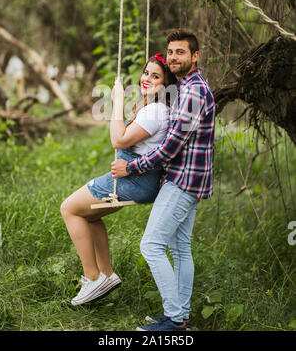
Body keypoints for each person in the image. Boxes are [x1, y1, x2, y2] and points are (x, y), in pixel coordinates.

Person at [111, 29, 215, 332]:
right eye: (170, 52)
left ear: (195, 56)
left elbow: (172, 145)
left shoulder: (194, 91)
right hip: (188, 179)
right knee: (180, 247)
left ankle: (173, 319)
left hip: (183, 181)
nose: (173, 58)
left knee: (151, 245)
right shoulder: (185, 87)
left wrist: (133, 167)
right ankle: (180, 316)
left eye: (180, 52)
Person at [60, 53, 176, 306]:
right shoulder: (152, 107)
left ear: (166, 85)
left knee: (69, 209)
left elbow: (118, 140)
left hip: (135, 180)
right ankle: (107, 275)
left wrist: (117, 101)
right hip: (138, 178)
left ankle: (92, 277)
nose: (147, 79)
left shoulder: (155, 111)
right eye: (146, 73)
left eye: (155, 76)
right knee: (90, 215)